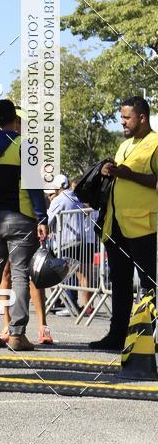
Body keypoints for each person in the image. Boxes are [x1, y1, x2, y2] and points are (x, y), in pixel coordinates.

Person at [0, 99, 48, 351]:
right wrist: (42, 217)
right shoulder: (25, 146)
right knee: (20, 275)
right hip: (22, 217)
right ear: (15, 119)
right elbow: (35, 187)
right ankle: (16, 335)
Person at [90, 96, 158, 351]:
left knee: (149, 283)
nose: (122, 123)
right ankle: (117, 335)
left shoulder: (155, 143)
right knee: (119, 281)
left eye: (127, 118)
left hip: (144, 226)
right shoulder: (125, 145)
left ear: (142, 117)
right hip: (116, 225)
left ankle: (150, 340)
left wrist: (128, 174)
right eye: (121, 118)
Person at [47, 176, 97, 315]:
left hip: (66, 241)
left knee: (65, 276)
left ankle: (70, 306)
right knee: (84, 276)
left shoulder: (59, 200)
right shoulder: (76, 197)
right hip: (82, 240)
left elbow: (47, 219)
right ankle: (88, 307)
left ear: (57, 188)